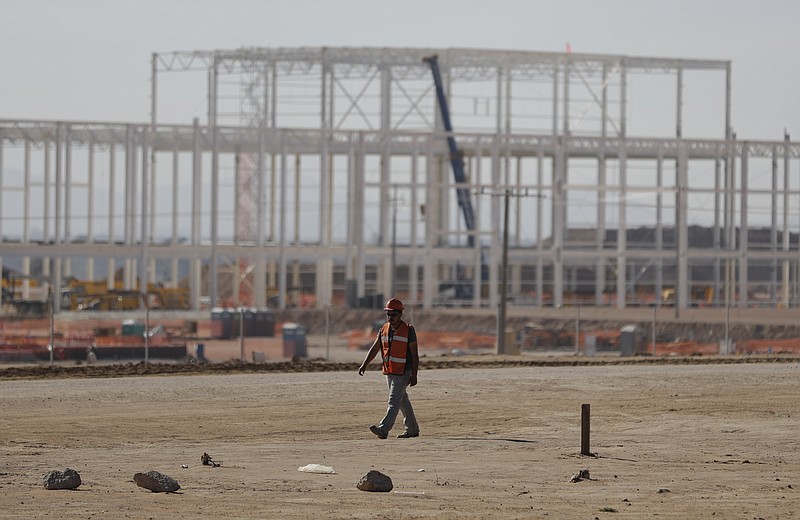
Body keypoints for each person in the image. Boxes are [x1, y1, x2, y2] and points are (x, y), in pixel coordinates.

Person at [358, 297, 420, 439]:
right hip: (390, 371)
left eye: (393, 314)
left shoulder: (409, 330)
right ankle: (412, 429)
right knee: (402, 400)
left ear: (400, 314)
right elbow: (375, 348)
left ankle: (384, 429)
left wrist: (414, 375)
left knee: (393, 401)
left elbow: (415, 355)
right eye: (388, 314)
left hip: (403, 372)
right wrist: (365, 364)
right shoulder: (383, 329)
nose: (390, 317)